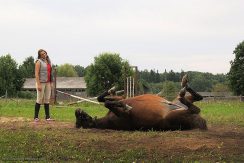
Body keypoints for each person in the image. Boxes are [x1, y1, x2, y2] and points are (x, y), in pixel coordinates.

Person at [34, 49, 54, 122]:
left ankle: (47, 117)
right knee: (39, 99)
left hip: (48, 82)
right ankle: (36, 117)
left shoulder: (48, 61)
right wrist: (38, 84)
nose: (44, 55)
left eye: (44, 53)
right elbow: (36, 74)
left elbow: (50, 73)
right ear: (39, 55)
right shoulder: (38, 62)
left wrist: (51, 82)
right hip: (41, 82)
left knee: (47, 99)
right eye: (42, 54)